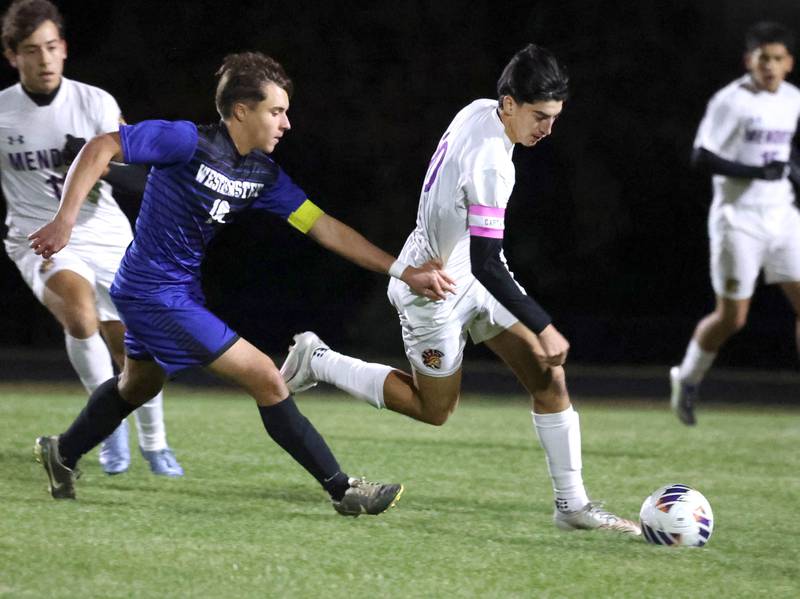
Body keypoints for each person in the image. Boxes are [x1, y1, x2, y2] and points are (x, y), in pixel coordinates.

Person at [28, 50, 455, 515]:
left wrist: (403, 270)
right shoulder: (184, 142)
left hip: (178, 292)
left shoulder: (262, 175)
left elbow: (322, 226)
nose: (286, 123)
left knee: (138, 387)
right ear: (240, 111)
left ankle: (62, 453)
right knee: (268, 379)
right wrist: (64, 221)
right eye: (276, 111)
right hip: (153, 292)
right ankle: (343, 489)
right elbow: (101, 147)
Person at [281, 44, 641, 535]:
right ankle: (318, 360)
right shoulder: (492, 162)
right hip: (434, 288)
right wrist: (545, 325)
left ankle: (572, 505)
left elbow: (481, 254)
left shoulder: (479, 109)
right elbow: (490, 264)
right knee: (435, 410)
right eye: (540, 116)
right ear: (510, 104)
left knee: (547, 379)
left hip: (464, 268)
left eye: (555, 116)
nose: (548, 129)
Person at [1, 0, 182, 475]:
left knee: (135, 347)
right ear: (11, 55)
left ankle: (155, 443)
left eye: (51, 47)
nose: (44, 59)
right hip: (39, 237)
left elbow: (139, 179)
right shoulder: (2, 114)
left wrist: (89, 154)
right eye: (31, 50)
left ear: (64, 49)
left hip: (105, 235)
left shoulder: (94, 103)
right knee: (80, 317)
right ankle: (107, 429)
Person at [670, 22, 800, 425]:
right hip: (737, 220)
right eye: (764, 58)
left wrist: (790, 169)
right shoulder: (731, 100)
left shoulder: (793, 99)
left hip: (783, 216)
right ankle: (687, 378)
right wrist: (757, 172)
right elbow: (701, 156)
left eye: (778, 58)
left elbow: (783, 149)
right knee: (732, 318)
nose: (771, 66)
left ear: (789, 62)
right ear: (750, 61)